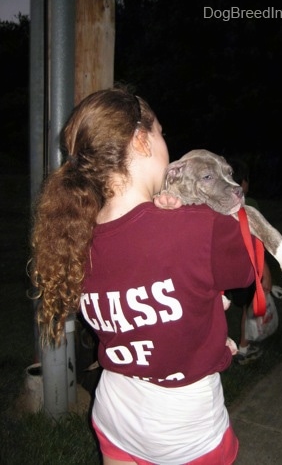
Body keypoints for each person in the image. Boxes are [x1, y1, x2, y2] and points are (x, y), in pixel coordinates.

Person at [30, 85, 256, 464]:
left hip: (116, 419)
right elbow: (250, 271)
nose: (166, 143)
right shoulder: (199, 227)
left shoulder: (73, 238)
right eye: (161, 132)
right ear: (141, 140)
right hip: (187, 433)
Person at [226, 158, 272, 365]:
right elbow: (258, 241)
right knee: (247, 307)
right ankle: (244, 347)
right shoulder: (250, 205)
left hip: (225, 269)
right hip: (246, 267)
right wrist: (266, 272)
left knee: (222, 308)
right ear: (243, 182)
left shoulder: (217, 207)